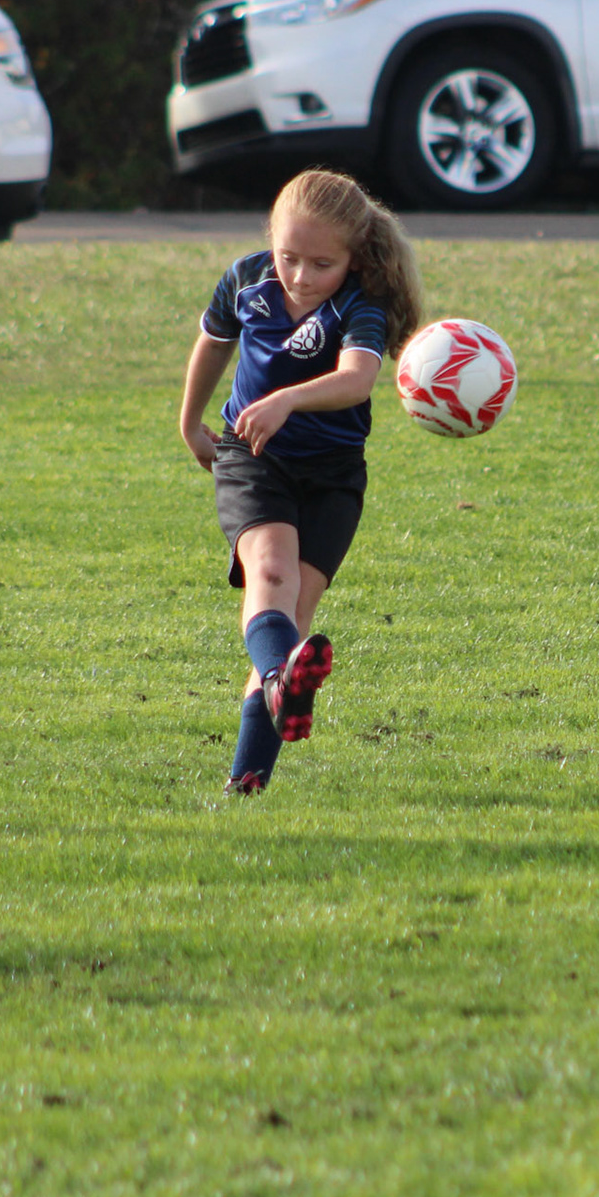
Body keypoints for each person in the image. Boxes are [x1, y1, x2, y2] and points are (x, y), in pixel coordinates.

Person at [177, 170, 425, 794]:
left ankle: (246, 780)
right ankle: (276, 689)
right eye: (289, 257)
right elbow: (213, 344)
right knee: (271, 575)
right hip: (252, 455)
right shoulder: (247, 279)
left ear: (354, 257)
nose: (301, 276)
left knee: (292, 620)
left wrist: (288, 399)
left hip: (334, 474)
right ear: (271, 238)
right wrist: (189, 423)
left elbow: (358, 379)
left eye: (321, 264)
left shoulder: (360, 303)